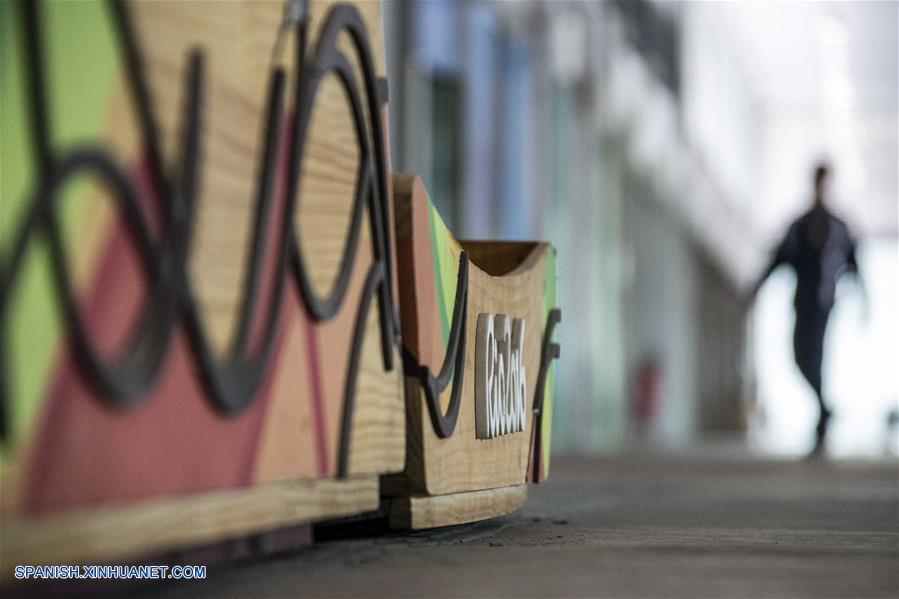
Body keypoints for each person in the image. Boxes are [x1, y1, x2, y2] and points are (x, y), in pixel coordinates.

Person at [748, 162, 863, 455]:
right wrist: (756, 291)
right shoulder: (800, 226)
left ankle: (822, 420)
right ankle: (824, 409)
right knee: (799, 358)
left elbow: (854, 265)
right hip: (802, 303)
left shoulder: (839, 227)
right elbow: (778, 259)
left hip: (824, 305)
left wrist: (864, 300)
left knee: (817, 358)